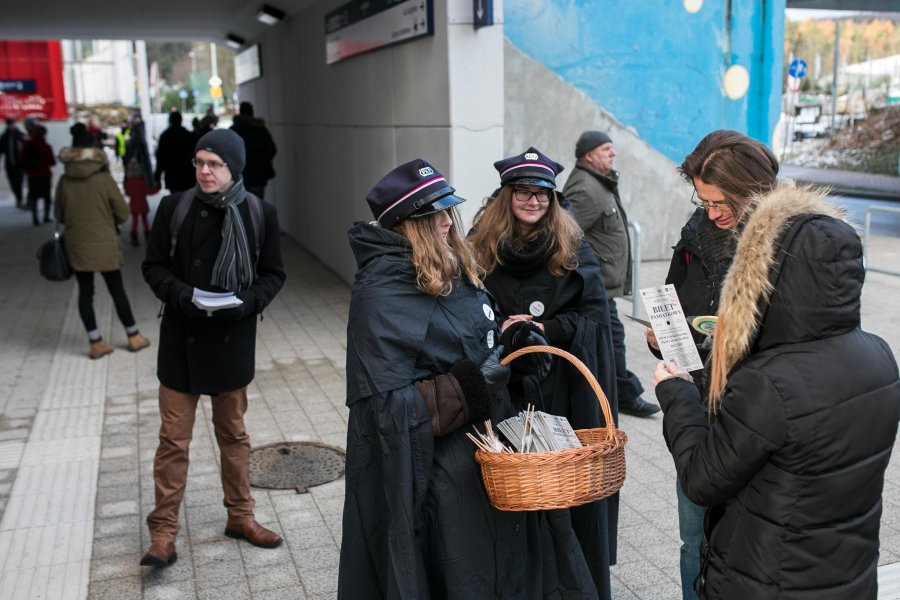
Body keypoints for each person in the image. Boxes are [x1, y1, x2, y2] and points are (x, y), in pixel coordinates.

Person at [339, 158, 599, 599]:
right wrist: (473, 385)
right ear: (407, 226)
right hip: (445, 478)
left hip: (497, 456)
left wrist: (512, 350)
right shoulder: (380, 295)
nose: (445, 221)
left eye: (447, 210)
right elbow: (383, 412)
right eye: (433, 215)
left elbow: (477, 344)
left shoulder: (454, 268)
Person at [652, 182, 900, 599]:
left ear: (768, 278)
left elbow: (701, 479)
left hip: (768, 580)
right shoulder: (880, 356)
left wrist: (676, 392)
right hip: (848, 578)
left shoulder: (769, 382)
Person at [468, 147, 619, 598]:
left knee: (560, 487)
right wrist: (501, 327)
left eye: (541, 193)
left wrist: (544, 327)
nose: (533, 200)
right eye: (522, 192)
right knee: (511, 484)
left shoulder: (573, 245)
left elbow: (594, 318)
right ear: (506, 196)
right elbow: (467, 310)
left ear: (553, 198)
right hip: (505, 383)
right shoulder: (480, 244)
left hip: (562, 388)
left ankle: (568, 580)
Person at [140, 128, 286, 567]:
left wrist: (246, 304)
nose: (204, 171)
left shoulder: (260, 212)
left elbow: (273, 275)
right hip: (181, 345)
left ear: (233, 168)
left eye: (214, 164)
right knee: (172, 442)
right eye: (199, 163)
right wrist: (183, 295)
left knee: (234, 437)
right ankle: (163, 534)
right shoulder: (174, 207)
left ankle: (241, 517)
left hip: (231, 341)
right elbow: (153, 266)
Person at [646, 130, 780, 600]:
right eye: (703, 201)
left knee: (751, 546)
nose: (712, 213)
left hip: (755, 418)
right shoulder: (694, 236)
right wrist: (661, 338)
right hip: (698, 413)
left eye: (721, 202)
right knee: (693, 540)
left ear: (753, 189)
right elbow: (671, 302)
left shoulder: (784, 248)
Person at [563, 130, 658, 417]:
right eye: (606, 149)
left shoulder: (596, 183)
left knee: (611, 340)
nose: (613, 153)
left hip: (603, 285)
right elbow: (564, 237)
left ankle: (622, 392)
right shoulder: (584, 188)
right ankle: (624, 395)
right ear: (589, 155)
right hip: (595, 286)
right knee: (613, 340)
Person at [55, 126, 152, 359]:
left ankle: (96, 341)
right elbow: (123, 212)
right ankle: (133, 336)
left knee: (85, 293)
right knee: (117, 290)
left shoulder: (64, 180)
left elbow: (59, 215)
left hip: (77, 244)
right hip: (105, 243)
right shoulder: (103, 178)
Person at [123, 115, 159, 246]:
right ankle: (147, 235)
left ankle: (134, 235)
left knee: (134, 221)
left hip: (133, 205)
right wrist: (157, 186)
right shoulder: (142, 181)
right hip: (143, 205)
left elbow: (127, 192)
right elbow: (150, 191)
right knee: (144, 220)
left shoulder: (130, 183)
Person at [230, 102, 277, 199]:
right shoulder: (260, 129)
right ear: (252, 112)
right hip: (258, 176)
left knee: (240, 207)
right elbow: (271, 150)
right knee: (256, 206)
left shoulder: (234, 130)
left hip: (238, 176)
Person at [22, 122, 56, 226]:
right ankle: (46, 217)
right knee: (47, 197)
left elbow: (22, 157)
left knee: (34, 197)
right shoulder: (47, 147)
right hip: (45, 174)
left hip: (32, 175)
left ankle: (35, 218)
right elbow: (52, 162)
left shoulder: (28, 145)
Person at [153, 110, 196, 194]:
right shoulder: (188, 135)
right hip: (187, 174)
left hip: (172, 174)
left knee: (175, 200)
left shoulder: (165, 136)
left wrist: (157, 177)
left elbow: (160, 157)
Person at [0, 117, 26, 208]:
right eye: (9, 124)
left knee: (19, 182)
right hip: (9, 164)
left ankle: (19, 199)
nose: (11, 126)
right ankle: (18, 198)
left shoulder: (20, 135)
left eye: (12, 124)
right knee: (12, 182)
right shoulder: (4, 136)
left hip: (19, 164)